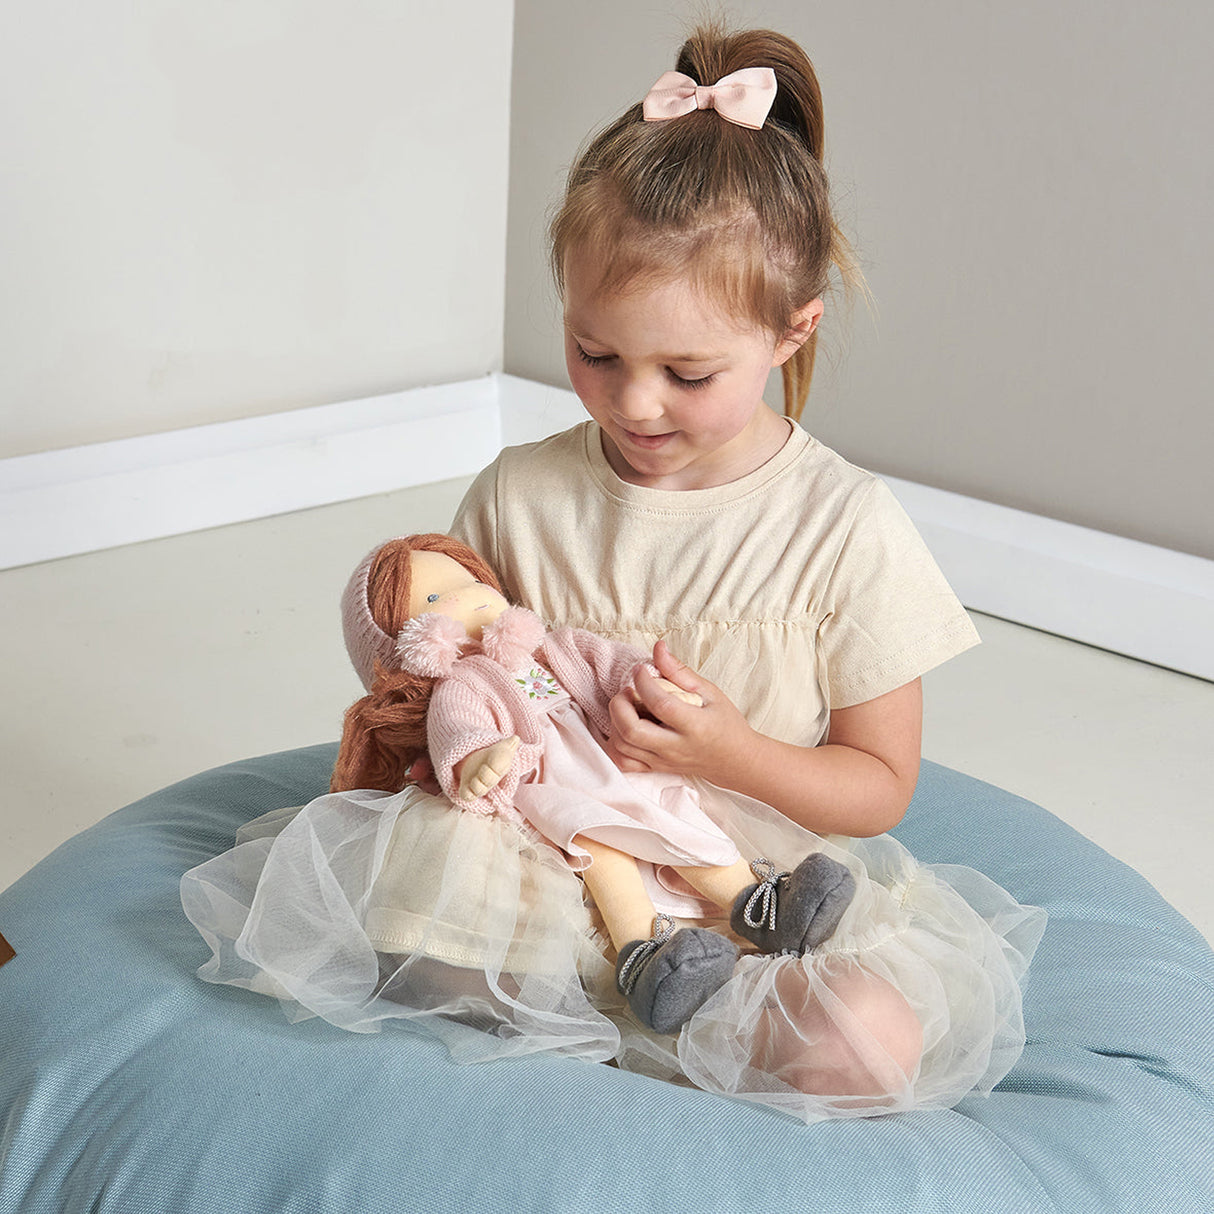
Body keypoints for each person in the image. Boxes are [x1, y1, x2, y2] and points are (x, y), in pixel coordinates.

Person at [445, 23, 1044, 1113]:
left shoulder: (842, 527)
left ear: (788, 330)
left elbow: (876, 784)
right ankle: (592, 1026)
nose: (633, 402)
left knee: (868, 1041)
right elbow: (453, 665)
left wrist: (728, 749)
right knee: (381, 930)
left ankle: (666, 1031)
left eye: (686, 370)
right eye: (595, 352)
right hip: (549, 868)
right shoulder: (514, 495)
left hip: (746, 899)